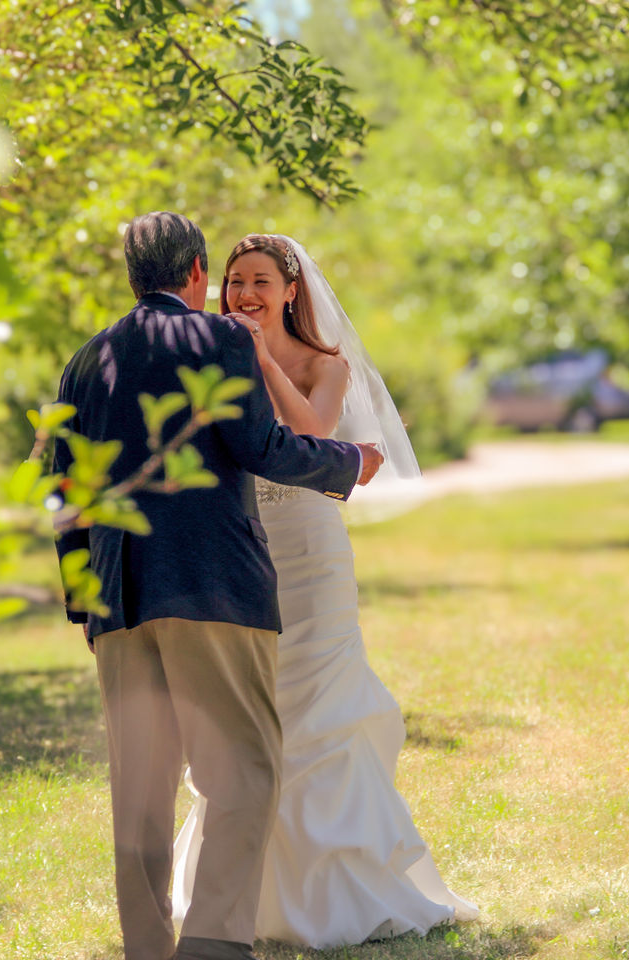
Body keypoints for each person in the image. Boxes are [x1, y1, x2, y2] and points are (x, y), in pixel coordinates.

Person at [51, 213, 385, 960]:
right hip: (212, 589)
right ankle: (213, 945)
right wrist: (347, 465)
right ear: (197, 272)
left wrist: (85, 601)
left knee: (140, 787)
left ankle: (148, 947)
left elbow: (62, 492)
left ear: (131, 275)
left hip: (118, 600)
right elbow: (258, 446)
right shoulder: (222, 340)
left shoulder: (86, 360)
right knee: (244, 768)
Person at [170, 234, 478, 948]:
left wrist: (262, 361)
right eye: (235, 281)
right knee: (252, 707)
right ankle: (244, 891)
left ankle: (343, 890)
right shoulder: (216, 356)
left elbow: (311, 431)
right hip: (247, 547)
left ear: (289, 292)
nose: (244, 293)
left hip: (312, 549)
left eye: (260, 282)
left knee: (323, 706)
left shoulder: (326, 365)